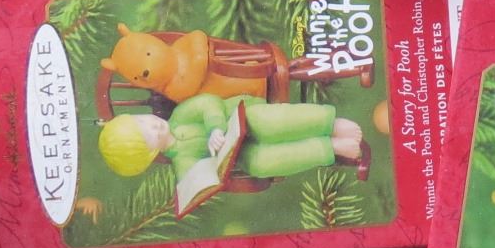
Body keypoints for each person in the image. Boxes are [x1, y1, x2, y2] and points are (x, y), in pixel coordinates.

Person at [97, 96, 362, 183]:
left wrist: (215, 128)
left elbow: (207, 103)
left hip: (241, 116)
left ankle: (329, 123)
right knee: (260, 163)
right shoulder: (181, 162)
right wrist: (202, 178)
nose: (153, 125)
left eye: (143, 121)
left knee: (267, 122)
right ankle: (327, 148)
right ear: (151, 154)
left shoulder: (180, 116)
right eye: (149, 136)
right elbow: (198, 178)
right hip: (238, 152)